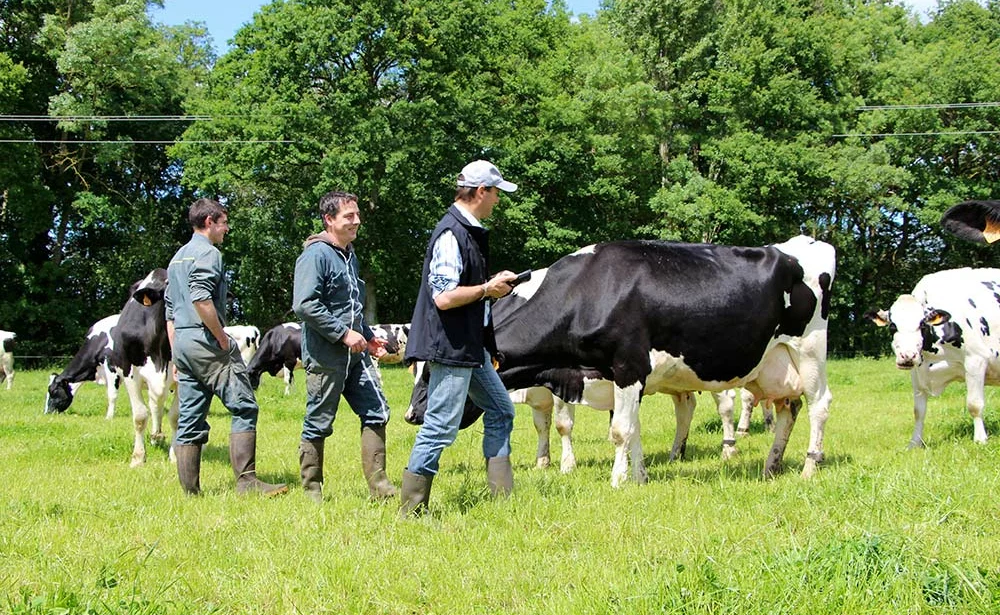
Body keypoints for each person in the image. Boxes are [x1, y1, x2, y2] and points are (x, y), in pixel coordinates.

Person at [400, 160, 519, 516]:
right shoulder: (452, 233)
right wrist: (487, 289)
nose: (498, 200)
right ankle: (411, 511)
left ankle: (501, 501)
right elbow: (443, 297)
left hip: (470, 345)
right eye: (496, 192)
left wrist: (491, 283)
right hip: (450, 346)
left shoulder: (468, 231)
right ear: (481, 191)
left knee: (501, 410)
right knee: (439, 426)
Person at [166, 198, 288, 497]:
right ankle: (247, 483)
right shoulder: (209, 253)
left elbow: (170, 310)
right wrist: (222, 337)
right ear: (209, 222)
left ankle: (190, 493)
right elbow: (201, 298)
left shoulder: (178, 257)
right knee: (245, 406)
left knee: (190, 418)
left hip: (183, 342)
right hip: (207, 342)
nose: (227, 228)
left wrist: (176, 355)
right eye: (223, 222)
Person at [292, 191, 395, 503]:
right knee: (319, 420)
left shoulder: (350, 255)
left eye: (357, 215)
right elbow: (305, 305)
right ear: (329, 220)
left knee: (376, 411)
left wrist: (365, 335)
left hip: (355, 355)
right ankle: (312, 491)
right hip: (326, 355)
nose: (357, 221)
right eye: (349, 216)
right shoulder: (315, 256)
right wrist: (343, 334)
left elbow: (351, 306)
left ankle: (380, 488)